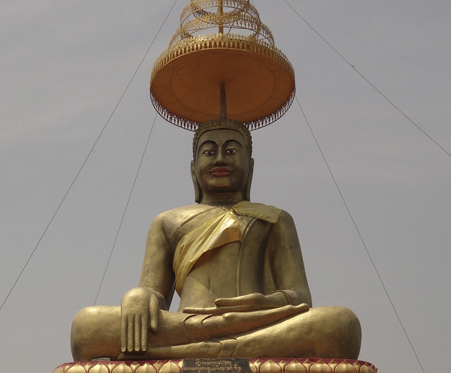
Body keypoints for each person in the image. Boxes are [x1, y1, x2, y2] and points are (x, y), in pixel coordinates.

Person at [70, 119, 361, 360]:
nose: (220, 158)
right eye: (209, 152)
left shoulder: (274, 219)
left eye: (231, 151)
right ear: (193, 168)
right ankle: (226, 350)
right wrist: (138, 297)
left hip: (256, 323)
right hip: (189, 324)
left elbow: (300, 297)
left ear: (250, 166)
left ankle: (188, 353)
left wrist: (263, 303)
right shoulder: (167, 222)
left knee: (339, 325)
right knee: (87, 327)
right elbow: (154, 295)